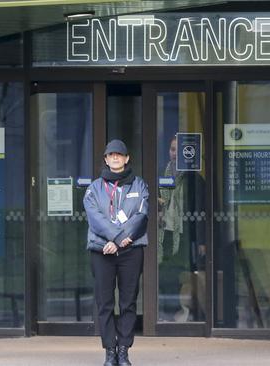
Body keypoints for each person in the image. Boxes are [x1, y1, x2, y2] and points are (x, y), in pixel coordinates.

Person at [84, 139, 149, 366]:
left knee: (129, 302)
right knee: (105, 303)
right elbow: (96, 220)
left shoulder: (139, 185)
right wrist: (115, 238)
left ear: (126, 158)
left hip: (131, 251)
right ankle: (110, 351)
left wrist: (120, 241)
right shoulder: (94, 189)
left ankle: (124, 350)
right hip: (102, 251)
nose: (115, 158)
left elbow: (140, 216)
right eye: (111, 155)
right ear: (105, 159)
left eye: (119, 154)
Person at [158, 135, 206, 322]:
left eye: (179, 150)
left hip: (187, 237)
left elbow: (202, 212)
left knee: (178, 273)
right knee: (164, 273)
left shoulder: (195, 180)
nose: (175, 154)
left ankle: (186, 314)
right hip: (165, 235)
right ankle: (172, 313)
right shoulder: (163, 176)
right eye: (172, 149)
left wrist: (202, 241)